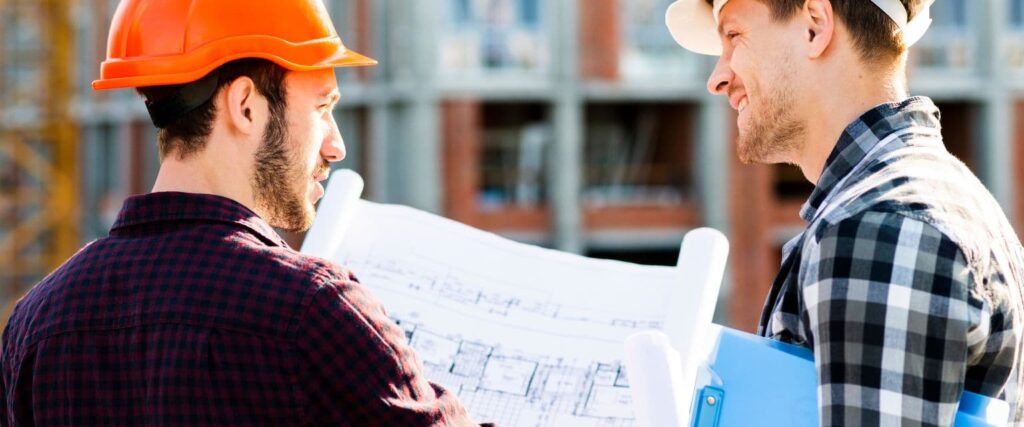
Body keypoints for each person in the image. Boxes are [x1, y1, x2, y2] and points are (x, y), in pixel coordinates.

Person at [0, 1, 490, 425]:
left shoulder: (36, 321)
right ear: (245, 106)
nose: (336, 145)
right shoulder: (315, 310)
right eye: (323, 107)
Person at [667, 0, 1024, 425]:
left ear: (815, 26)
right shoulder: (934, 199)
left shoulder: (880, 225)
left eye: (734, 37)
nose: (718, 78)